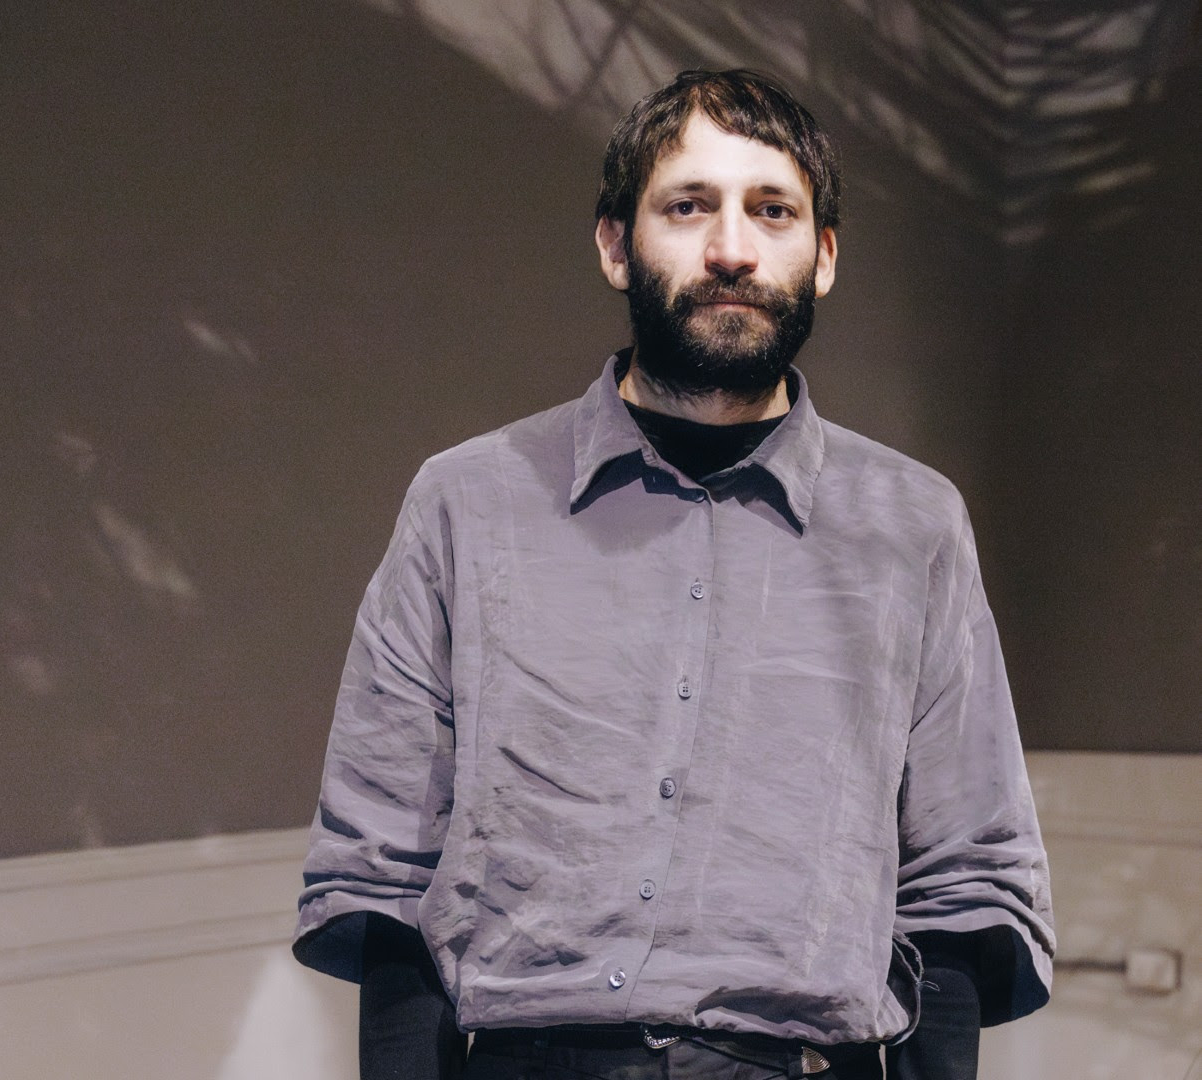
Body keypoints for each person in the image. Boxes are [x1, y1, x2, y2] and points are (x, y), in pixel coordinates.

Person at [293, 69, 1054, 1080]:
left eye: (771, 210)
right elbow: (384, 869)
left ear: (823, 256)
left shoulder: (912, 525)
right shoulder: (466, 504)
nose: (731, 248)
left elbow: (962, 883)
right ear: (616, 244)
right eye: (688, 205)